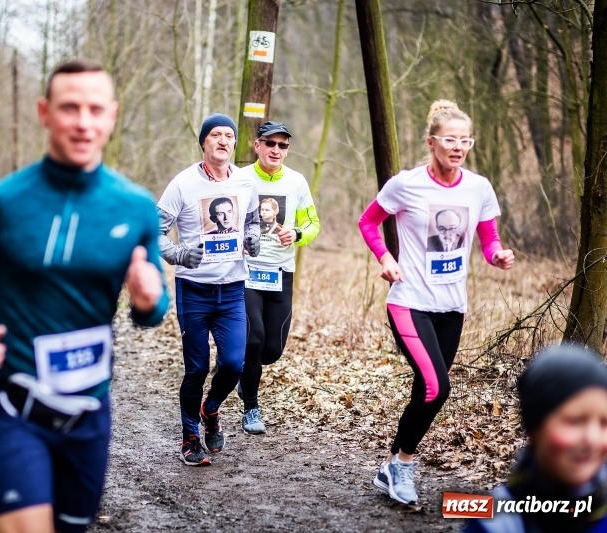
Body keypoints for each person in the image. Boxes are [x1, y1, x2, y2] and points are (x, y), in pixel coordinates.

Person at [0, 59, 168, 533]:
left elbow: (153, 313)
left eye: (95, 109)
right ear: (45, 112)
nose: (83, 122)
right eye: (69, 108)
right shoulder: (1, 201)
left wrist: (147, 299)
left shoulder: (137, 207)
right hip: (13, 406)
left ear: (112, 116)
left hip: (89, 414)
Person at [358, 99, 514, 505]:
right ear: (432, 142)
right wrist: (386, 258)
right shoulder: (406, 184)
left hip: (452, 307)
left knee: (425, 389)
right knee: (436, 387)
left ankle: (390, 466)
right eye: (450, 139)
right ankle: (404, 465)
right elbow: (368, 221)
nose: (458, 147)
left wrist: (496, 254)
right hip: (409, 301)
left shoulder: (478, 187)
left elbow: (488, 237)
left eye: (465, 140)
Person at [158, 112, 260, 466]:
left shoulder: (246, 183)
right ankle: (189, 437)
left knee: (234, 363)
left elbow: (252, 219)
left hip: (232, 289)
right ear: (203, 142)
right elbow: (154, 232)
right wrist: (178, 253)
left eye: (228, 136)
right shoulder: (183, 184)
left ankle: (210, 409)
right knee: (197, 368)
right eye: (215, 134)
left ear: (234, 143)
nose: (222, 140)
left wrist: (253, 236)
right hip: (195, 290)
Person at [465, 344, 607, 533]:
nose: (592, 439)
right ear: (534, 426)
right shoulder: (497, 522)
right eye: (575, 421)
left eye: (604, 423)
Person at [238, 121, 320, 434]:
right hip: (246, 273)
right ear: (256, 146)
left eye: (282, 145)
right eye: (270, 143)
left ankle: (243, 373)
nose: (276, 150)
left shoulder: (297, 182)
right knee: (253, 338)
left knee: (271, 350)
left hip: (281, 274)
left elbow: (313, 225)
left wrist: (296, 234)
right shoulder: (241, 178)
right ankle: (251, 409)